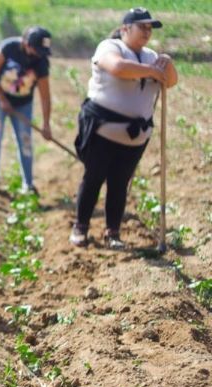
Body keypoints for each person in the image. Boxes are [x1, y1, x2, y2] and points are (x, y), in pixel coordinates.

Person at [69, 7, 177, 249]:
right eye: (142, 27)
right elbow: (118, 67)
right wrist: (152, 70)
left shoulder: (151, 56)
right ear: (125, 29)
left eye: (150, 28)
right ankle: (81, 227)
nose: (147, 32)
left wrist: (167, 65)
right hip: (102, 131)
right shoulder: (109, 47)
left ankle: (113, 233)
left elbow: (170, 82)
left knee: (120, 183)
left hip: (135, 137)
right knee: (93, 178)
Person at [0, 26, 54, 195]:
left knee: (25, 140)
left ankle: (28, 184)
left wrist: (46, 124)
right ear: (26, 43)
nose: (39, 54)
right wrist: (2, 99)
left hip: (22, 103)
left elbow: (45, 96)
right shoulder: (9, 47)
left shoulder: (41, 62)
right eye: (36, 50)